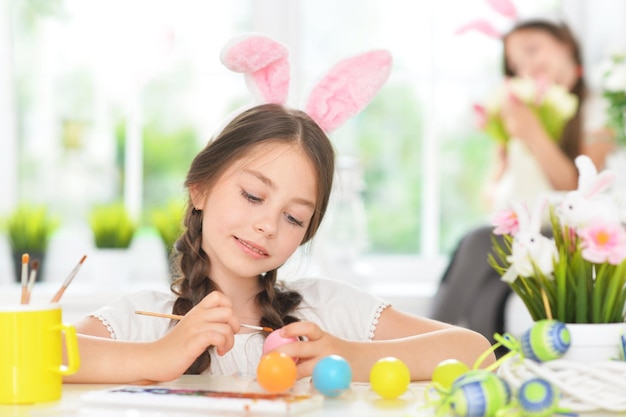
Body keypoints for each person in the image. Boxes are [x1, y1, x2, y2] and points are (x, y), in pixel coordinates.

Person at [64, 103, 494, 384]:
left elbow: (476, 352)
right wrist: (160, 356)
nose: (268, 225)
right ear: (200, 188)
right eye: (253, 195)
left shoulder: (327, 312)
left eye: (293, 217)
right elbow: (31, 354)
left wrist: (345, 355)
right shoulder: (147, 319)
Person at [429, 19, 616, 353]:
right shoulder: (521, 114)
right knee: (485, 281)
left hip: (571, 231)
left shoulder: (597, 107)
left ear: (566, 46)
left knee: (476, 243)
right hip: (526, 226)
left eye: (532, 50)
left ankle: (422, 346)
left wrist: (533, 134)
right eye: (517, 64)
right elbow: (491, 195)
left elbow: (578, 189)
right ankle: (484, 363)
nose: (527, 66)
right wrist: (506, 146)